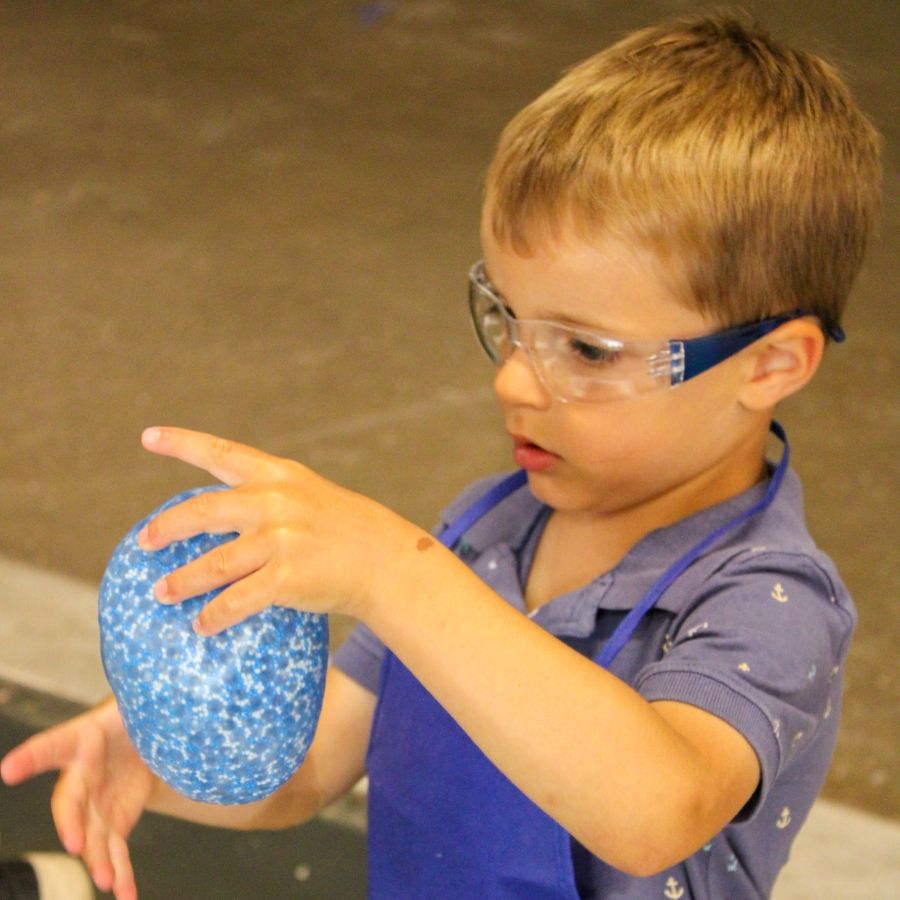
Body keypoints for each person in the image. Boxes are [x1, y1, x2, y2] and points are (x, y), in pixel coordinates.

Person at [0, 11, 882, 900]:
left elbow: (654, 811)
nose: (513, 383)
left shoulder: (767, 601)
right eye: (507, 319)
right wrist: (166, 752)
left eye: (586, 350)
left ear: (769, 365)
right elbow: (311, 771)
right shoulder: (491, 534)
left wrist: (394, 572)